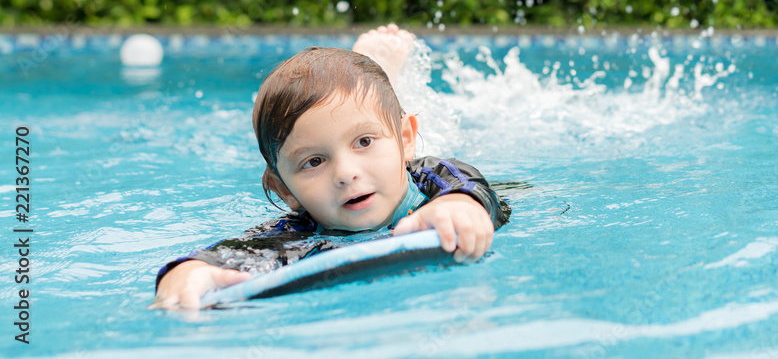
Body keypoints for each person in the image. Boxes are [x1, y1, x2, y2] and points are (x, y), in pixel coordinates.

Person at [150, 24, 510, 310]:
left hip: (411, 165)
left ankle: (374, 76)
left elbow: (471, 187)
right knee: (359, 121)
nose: (345, 173)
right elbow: (230, 255)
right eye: (314, 162)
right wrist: (185, 275)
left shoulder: (430, 177)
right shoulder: (296, 232)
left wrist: (459, 206)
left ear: (406, 140)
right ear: (286, 191)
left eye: (364, 142)